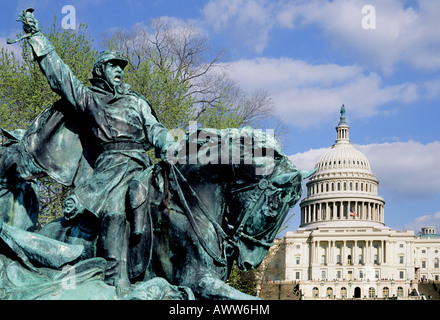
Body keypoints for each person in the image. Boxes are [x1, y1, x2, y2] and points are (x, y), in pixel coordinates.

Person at [16, 9, 176, 289]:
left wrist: (168, 143)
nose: (119, 70)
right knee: (115, 211)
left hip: (142, 166)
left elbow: (155, 129)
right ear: (101, 70)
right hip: (110, 170)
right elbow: (61, 77)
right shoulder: (91, 100)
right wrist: (37, 37)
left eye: (121, 67)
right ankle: (116, 278)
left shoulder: (137, 101)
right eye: (113, 65)